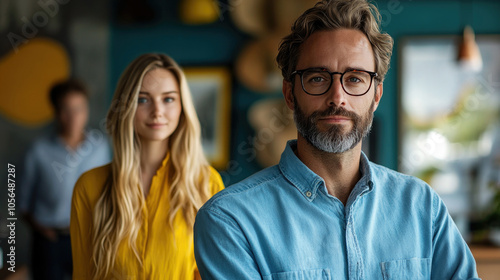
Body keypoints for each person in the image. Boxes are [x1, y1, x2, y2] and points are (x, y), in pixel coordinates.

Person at [193, 0, 480, 279]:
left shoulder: (421, 205)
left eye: (354, 78)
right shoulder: (230, 220)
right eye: (318, 78)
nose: (337, 98)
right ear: (290, 94)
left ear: (376, 95)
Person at [70, 53, 224, 280]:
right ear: (126, 106)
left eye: (168, 99)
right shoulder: (89, 186)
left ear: (182, 107)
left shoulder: (206, 183)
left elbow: (212, 274)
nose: (157, 111)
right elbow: (83, 274)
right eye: (143, 99)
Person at [19, 79, 111, 280]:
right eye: (66, 110)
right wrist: (43, 231)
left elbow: (108, 191)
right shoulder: (38, 151)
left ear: (86, 109)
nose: (73, 117)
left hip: (89, 237)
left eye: (79, 109)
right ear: (55, 112)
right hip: (49, 241)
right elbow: (21, 203)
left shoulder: (100, 147)